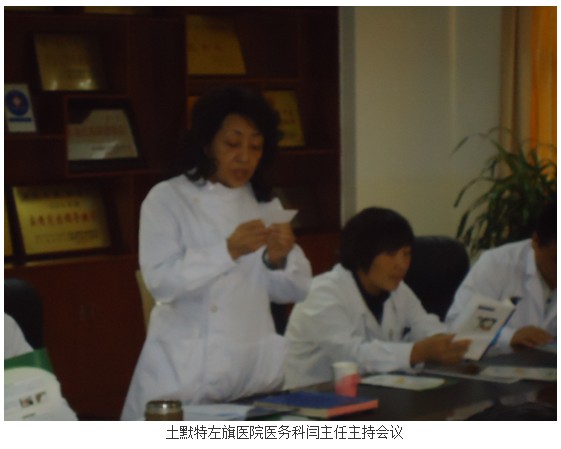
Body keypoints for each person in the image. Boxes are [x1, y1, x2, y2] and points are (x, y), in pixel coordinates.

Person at [121, 86, 312, 420]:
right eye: (232, 143)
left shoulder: (264, 202)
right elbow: (161, 283)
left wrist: (278, 259)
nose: (244, 157)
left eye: (255, 146)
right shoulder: (167, 199)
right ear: (207, 143)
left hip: (253, 375)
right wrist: (227, 250)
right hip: (185, 378)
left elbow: (296, 290)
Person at [283, 207, 470, 389]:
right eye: (391, 254)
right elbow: (352, 356)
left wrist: (444, 343)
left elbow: (424, 324)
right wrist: (416, 352)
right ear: (362, 253)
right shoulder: (321, 293)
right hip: (309, 398)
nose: (402, 264)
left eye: (406, 253)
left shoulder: (398, 290)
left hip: (369, 393)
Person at [446, 200, 556, 348]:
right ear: (535, 241)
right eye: (556, 260)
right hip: (496, 360)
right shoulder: (497, 264)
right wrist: (510, 336)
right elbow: (457, 327)